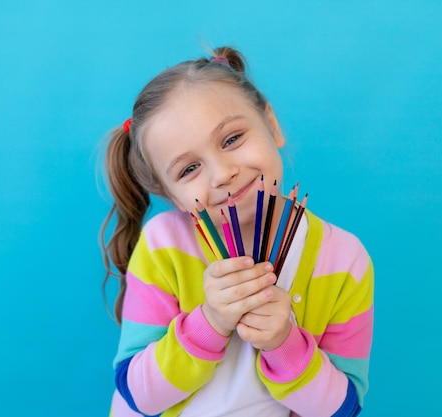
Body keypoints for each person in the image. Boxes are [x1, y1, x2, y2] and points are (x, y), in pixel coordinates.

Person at [100, 46, 374, 417]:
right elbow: (138, 395)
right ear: (172, 196)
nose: (223, 173)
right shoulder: (164, 245)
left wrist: (284, 343)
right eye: (189, 169)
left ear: (271, 124)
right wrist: (209, 323)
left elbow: (342, 409)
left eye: (231, 139)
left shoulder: (343, 260)